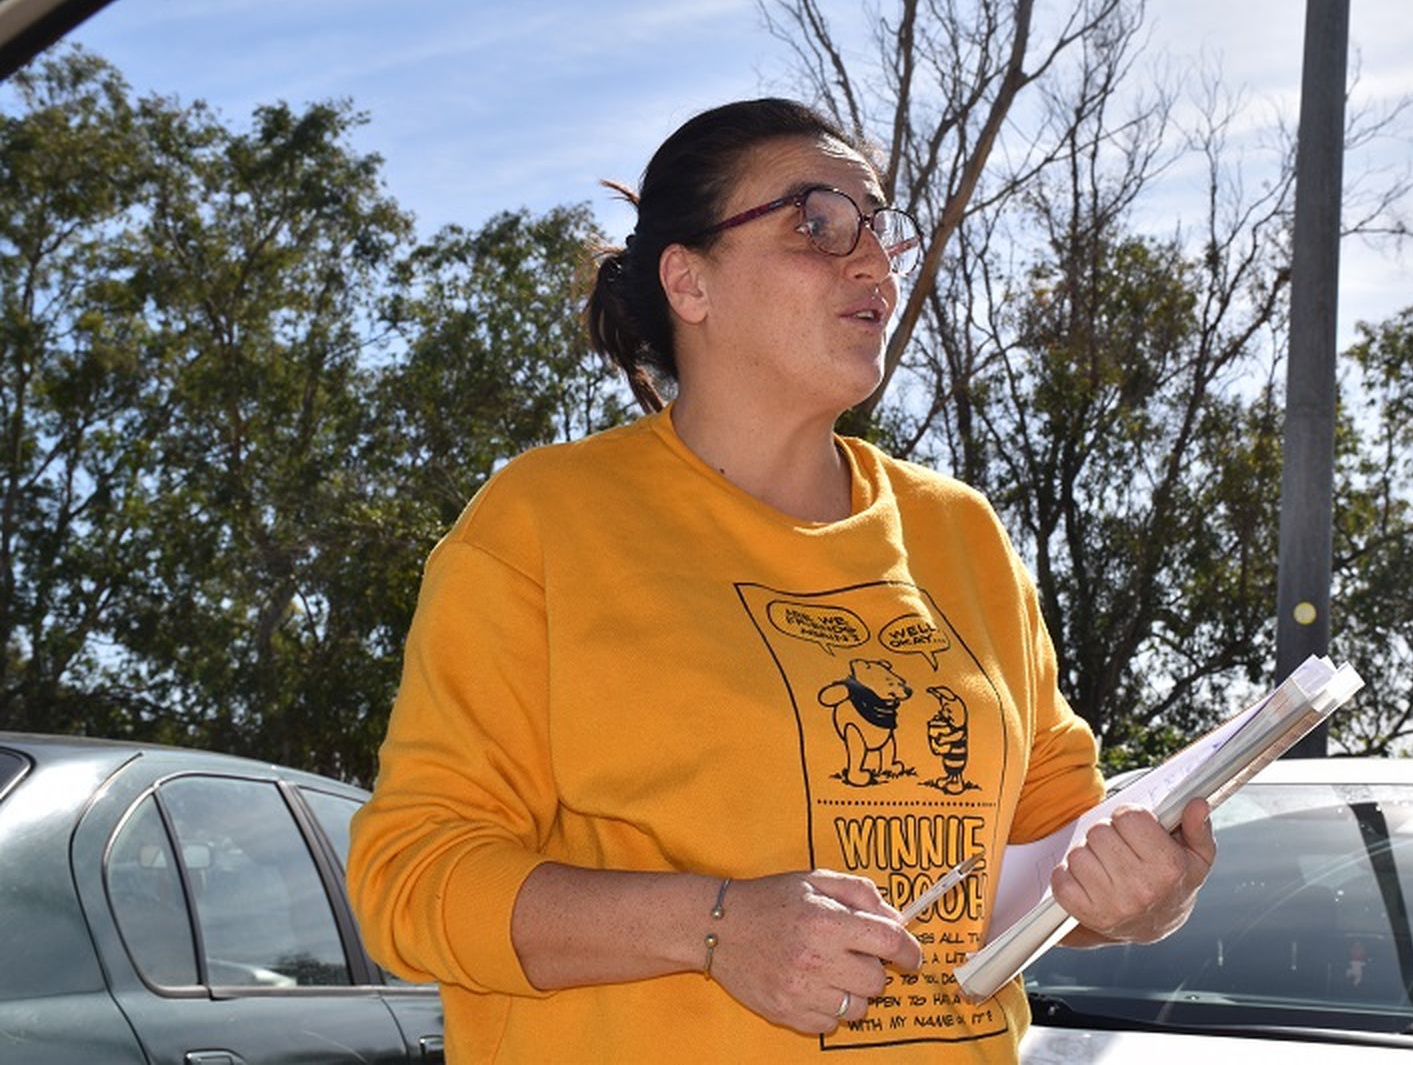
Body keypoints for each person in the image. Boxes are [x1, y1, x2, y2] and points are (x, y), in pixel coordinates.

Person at [346, 97, 1215, 1063]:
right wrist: (713, 926)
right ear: (689, 281)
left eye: (880, 227)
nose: (874, 262)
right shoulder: (544, 524)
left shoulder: (960, 535)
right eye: (815, 223)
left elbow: (1048, 863)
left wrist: (1143, 899)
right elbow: (410, 880)